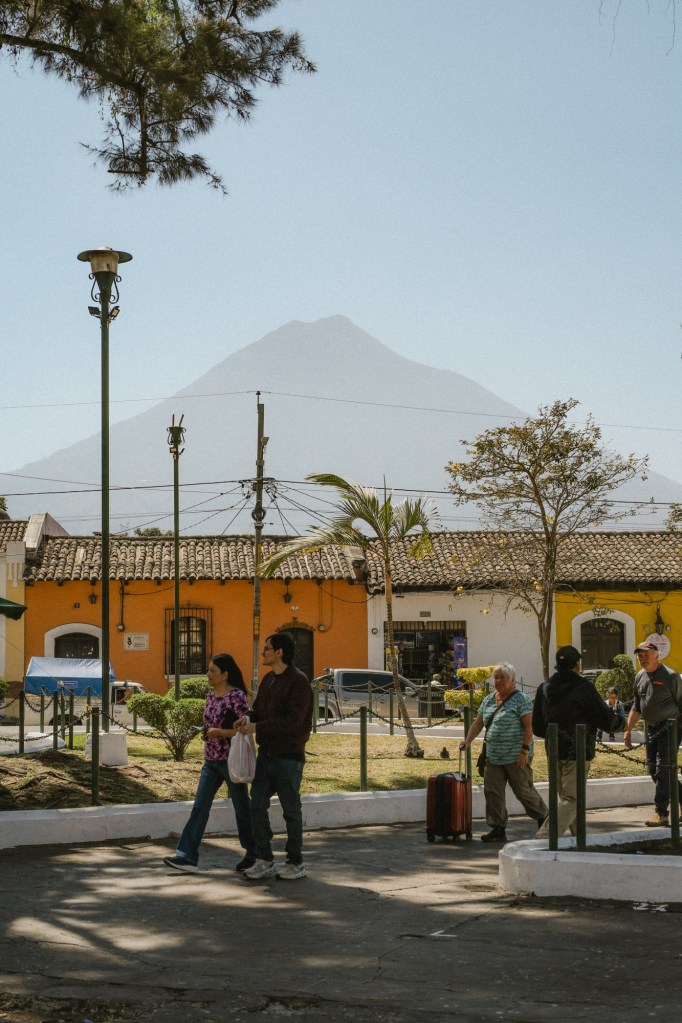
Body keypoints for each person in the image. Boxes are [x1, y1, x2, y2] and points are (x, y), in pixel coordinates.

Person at [163, 653, 255, 873]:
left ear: (225, 674)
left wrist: (219, 733)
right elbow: (210, 723)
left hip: (231, 761)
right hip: (210, 760)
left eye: (213, 671)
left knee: (242, 808)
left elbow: (243, 729)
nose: (208, 674)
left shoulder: (237, 696)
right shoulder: (210, 696)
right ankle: (186, 856)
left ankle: (254, 853)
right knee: (200, 807)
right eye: (208, 670)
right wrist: (207, 733)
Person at [235, 631, 313, 881]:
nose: (263, 653)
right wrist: (247, 718)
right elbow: (258, 711)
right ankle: (264, 859)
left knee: (291, 810)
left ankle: (295, 862)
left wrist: (257, 726)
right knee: (257, 804)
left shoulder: (298, 682)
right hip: (266, 756)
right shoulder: (268, 679)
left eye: (267, 648)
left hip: (289, 757)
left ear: (279, 652)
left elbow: (293, 721)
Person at [533, 645, 615, 839]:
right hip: (577, 750)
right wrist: (621, 724)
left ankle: (581, 841)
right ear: (577, 665)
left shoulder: (544, 687)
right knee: (572, 800)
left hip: (553, 750)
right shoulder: (584, 687)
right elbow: (604, 718)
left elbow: (537, 725)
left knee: (567, 798)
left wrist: (553, 735)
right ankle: (544, 838)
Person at [459, 662, 547, 843]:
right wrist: (467, 741)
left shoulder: (521, 699)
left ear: (512, 680)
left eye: (502, 678)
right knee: (493, 792)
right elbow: (478, 723)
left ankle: (544, 819)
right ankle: (498, 828)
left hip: (517, 756)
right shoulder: (489, 700)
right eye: (496, 677)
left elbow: (528, 726)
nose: (498, 681)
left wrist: (524, 750)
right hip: (494, 756)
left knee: (523, 791)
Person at [624, 642, 682, 827]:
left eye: (646, 654)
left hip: (671, 727)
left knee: (662, 769)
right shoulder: (639, 676)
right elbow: (637, 706)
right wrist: (627, 730)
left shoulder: (671, 676)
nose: (642, 658)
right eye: (639, 655)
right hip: (651, 728)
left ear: (657, 655)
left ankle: (661, 813)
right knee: (653, 769)